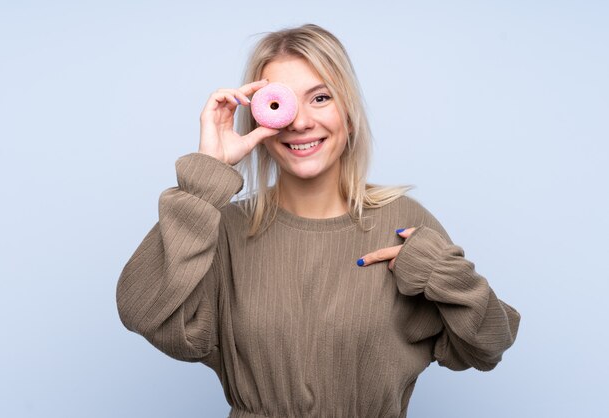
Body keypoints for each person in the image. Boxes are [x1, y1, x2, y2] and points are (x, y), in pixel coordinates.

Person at [115, 23, 521, 418]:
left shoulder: (404, 222)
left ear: (348, 110)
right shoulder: (223, 228)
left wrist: (443, 275)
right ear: (258, 117)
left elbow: (488, 346)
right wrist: (206, 176)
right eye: (280, 103)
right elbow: (145, 313)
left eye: (321, 98)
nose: (300, 121)